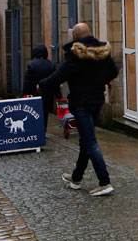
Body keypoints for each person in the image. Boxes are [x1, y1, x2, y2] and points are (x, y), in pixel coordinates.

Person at [38, 23, 119, 196]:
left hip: (81, 102)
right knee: (85, 141)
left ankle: (104, 182)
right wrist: (99, 80)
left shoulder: (76, 55)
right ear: (90, 33)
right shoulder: (102, 52)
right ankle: (76, 178)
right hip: (97, 100)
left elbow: (59, 75)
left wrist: (42, 85)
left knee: (90, 142)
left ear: (74, 36)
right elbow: (113, 72)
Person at [22, 45, 56, 127]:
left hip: (34, 94)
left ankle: (36, 129)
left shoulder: (32, 64)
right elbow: (55, 80)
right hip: (48, 94)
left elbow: (27, 81)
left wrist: (24, 93)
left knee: (33, 112)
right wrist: (58, 94)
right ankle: (43, 129)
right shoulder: (51, 64)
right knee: (45, 113)